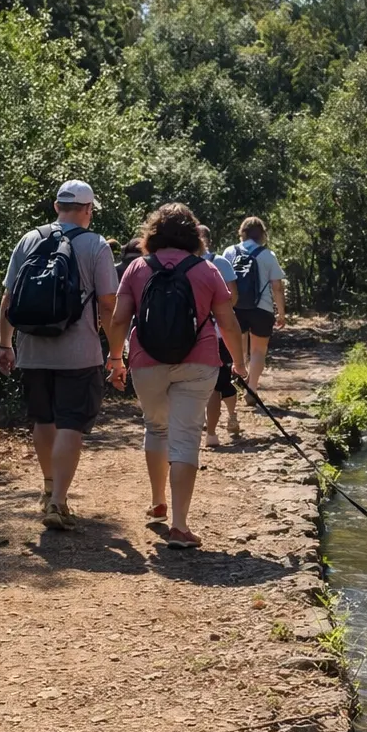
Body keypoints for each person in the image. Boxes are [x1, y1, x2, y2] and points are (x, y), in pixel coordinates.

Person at [105, 203, 244, 549]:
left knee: (156, 427)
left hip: (146, 360)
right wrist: (239, 363)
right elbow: (227, 322)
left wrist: (115, 358)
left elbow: (120, 318)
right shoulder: (206, 269)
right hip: (198, 362)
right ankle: (180, 527)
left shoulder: (137, 267)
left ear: (152, 233)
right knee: (185, 438)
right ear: (193, 236)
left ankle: (157, 504)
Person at [0, 180, 118, 531]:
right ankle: (58, 500)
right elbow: (108, 304)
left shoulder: (29, 239)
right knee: (71, 423)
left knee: (43, 419)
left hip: (32, 349)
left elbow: (8, 299)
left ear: (56, 206)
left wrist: (6, 344)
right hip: (79, 353)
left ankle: (49, 484)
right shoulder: (95, 245)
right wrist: (115, 353)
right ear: (88, 210)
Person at [222, 216, 286, 405]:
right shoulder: (267, 255)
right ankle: (252, 389)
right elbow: (277, 287)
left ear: (242, 233)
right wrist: (281, 312)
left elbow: (222, 281)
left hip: (235, 309)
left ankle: (240, 379)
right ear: (262, 235)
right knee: (258, 350)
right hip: (262, 309)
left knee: (239, 349)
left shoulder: (229, 252)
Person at [198, 224, 243, 447]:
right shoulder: (220, 263)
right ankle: (220, 425)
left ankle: (214, 427)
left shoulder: (180, 263)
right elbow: (233, 296)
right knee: (220, 382)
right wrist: (219, 312)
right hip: (218, 332)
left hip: (193, 335)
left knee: (209, 383)